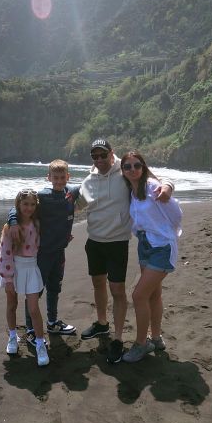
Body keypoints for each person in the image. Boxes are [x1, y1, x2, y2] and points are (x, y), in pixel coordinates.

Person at [77, 139, 173, 364]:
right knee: (98, 284)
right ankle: (102, 324)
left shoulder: (126, 171)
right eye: (95, 156)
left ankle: (118, 338)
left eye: (103, 155)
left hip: (117, 242)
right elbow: (74, 204)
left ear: (112, 154)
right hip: (94, 241)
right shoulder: (88, 181)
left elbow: (156, 179)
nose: (99, 160)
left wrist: (167, 187)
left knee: (118, 290)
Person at [118, 151, 183, 363]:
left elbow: (177, 213)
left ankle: (141, 344)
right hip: (145, 245)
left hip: (162, 246)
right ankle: (156, 338)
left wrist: (167, 188)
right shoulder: (131, 190)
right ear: (123, 171)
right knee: (153, 295)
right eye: (127, 167)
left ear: (143, 167)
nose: (132, 169)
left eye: (137, 165)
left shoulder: (152, 187)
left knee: (138, 296)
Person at [7, 160, 80, 344]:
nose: (59, 180)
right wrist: (14, 222)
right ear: (48, 178)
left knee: (55, 287)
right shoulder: (43, 196)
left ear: (68, 177)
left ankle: (53, 322)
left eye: (63, 177)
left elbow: (93, 182)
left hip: (59, 252)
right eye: (55, 177)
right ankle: (31, 329)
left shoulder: (71, 192)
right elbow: (19, 206)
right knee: (35, 291)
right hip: (42, 253)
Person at [0, 189, 49, 367]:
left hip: (32, 268)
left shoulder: (37, 223)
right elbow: (5, 254)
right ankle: (13, 337)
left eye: (32, 204)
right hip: (13, 269)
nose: (28, 208)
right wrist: (8, 278)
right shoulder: (10, 227)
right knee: (12, 304)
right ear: (18, 205)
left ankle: (40, 343)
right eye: (25, 204)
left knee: (34, 309)